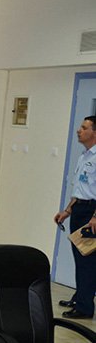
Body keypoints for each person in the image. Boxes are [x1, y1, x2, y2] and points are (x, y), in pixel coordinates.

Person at [54, 115, 96, 319]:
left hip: (91, 213)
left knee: (87, 261)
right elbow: (79, 189)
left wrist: (95, 217)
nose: (79, 130)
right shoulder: (84, 156)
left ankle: (85, 307)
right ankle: (80, 296)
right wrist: (67, 211)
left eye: (84, 128)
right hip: (79, 209)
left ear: (94, 132)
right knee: (80, 258)